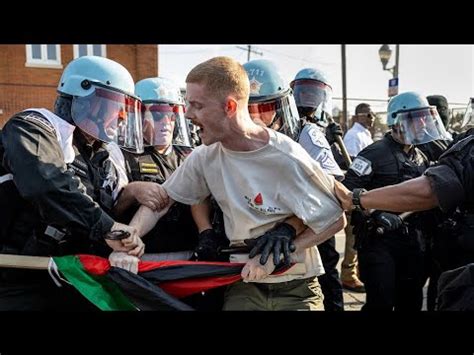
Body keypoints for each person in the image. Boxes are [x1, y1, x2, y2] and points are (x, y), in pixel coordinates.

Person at [128, 56, 346, 311]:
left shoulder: (288, 156)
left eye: (197, 105)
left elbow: (335, 219)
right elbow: (161, 202)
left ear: (229, 106)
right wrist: (131, 235)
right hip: (242, 283)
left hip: (296, 287)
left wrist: (284, 250)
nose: (188, 115)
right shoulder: (204, 156)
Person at [0, 55, 144, 310]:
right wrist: (108, 228)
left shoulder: (101, 155)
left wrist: (127, 232)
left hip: (71, 276)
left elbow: (101, 212)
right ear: (85, 97)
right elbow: (46, 183)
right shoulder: (33, 126)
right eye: (115, 104)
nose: (122, 116)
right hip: (16, 276)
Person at [342, 91, 450, 311]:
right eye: (415, 118)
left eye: (424, 117)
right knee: (380, 303)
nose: (422, 123)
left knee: (410, 302)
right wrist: (376, 213)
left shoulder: (422, 156)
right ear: (396, 120)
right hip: (379, 243)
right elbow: (346, 191)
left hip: (414, 243)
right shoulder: (373, 154)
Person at [116, 77, 199, 254]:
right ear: (138, 117)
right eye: (157, 115)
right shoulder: (119, 155)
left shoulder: (190, 156)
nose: (166, 123)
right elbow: (109, 211)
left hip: (189, 254)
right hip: (139, 255)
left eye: (172, 115)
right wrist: (131, 191)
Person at [289, 66, 345, 310]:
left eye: (314, 94)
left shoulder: (318, 132)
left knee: (328, 271)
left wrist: (331, 142)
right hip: (290, 213)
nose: (308, 101)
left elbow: (337, 178)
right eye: (304, 93)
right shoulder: (287, 127)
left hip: (320, 214)